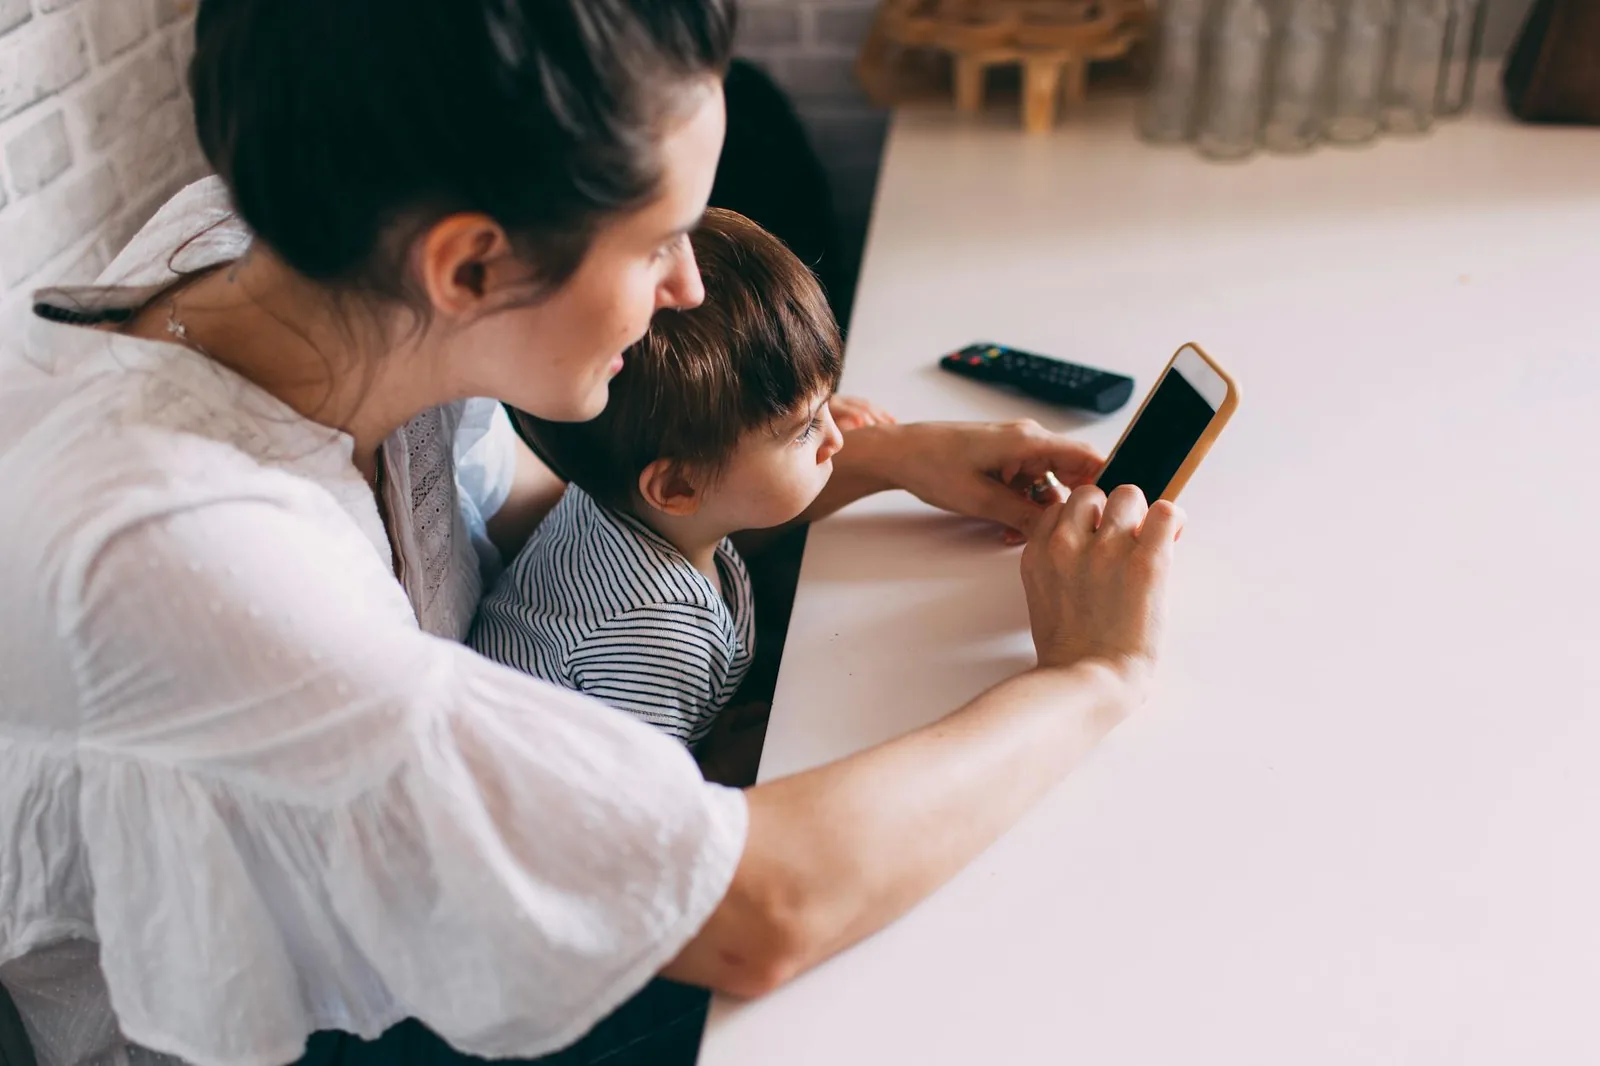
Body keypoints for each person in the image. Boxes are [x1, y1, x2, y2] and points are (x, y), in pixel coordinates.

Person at [0, 2, 1184, 1065]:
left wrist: (876, 458)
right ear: (470, 262)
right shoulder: (189, 549)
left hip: (409, 906)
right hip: (303, 1036)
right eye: (657, 241)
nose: (685, 290)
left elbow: (538, 515)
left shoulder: (322, 280)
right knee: (930, 968)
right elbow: (765, 910)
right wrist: (1094, 673)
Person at [470, 208, 845, 752]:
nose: (834, 439)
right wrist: (712, 770)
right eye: (804, 428)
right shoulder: (654, 633)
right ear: (677, 489)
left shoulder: (608, 502)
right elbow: (639, 806)